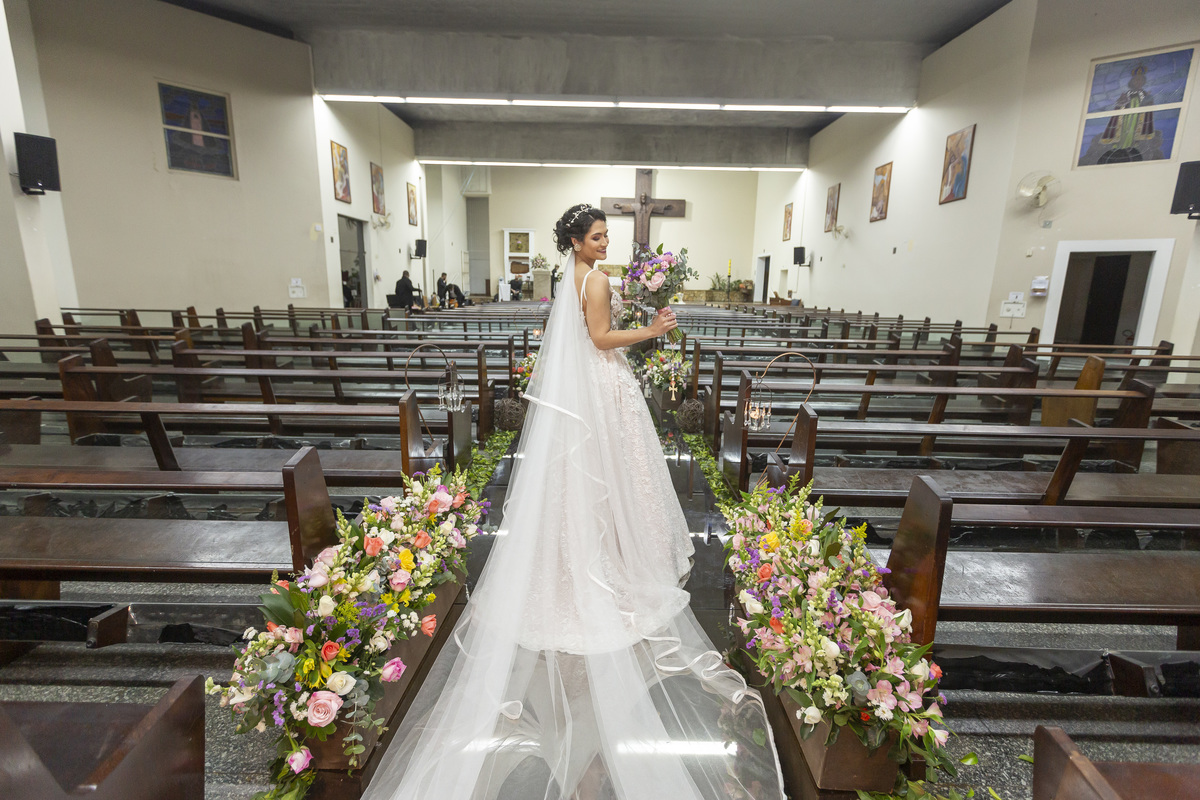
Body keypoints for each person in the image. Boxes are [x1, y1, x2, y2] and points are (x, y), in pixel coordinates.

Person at [363, 203, 785, 800]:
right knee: (614, 478)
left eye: (607, 235)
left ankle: (584, 557)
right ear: (576, 241)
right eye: (597, 236)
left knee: (586, 481)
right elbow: (601, 338)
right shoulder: (597, 279)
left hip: (589, 390)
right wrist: (653, 332)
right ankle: (613, 560)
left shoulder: (575, 277)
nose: (606, 242)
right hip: (604, 386)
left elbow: (586, 333)